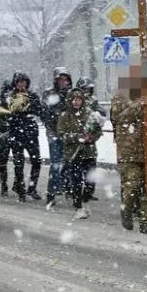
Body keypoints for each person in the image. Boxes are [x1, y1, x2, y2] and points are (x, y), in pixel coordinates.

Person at [110, 61, 147, 233]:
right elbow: (118, 118)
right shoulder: (121, 94)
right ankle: (126, 210)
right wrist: (137, 106)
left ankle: (146, 221)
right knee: (132, 185)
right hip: (129, 149)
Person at [57, 89, 103, 218]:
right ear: (70, 101)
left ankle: (86, 200)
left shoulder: (90, 114)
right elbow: (61, 134)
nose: (76, 102)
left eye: (79, 99)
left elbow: (98, 131)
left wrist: (92, 137)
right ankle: (78, 207)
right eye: (74, 100)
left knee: (90, 181)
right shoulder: (65, 116)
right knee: (76, 182)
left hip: (89, 153)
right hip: (74, 154)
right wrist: (77, 137)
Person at [1, 72, 43, 202]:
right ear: (15, 83)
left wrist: (30, 104)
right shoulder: (9, 96)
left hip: (31, 133)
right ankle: (20, 188)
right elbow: (4, 114)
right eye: (19, 82)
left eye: (24, 82)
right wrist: (14, 110)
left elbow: (40, 111)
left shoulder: (33, 95)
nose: (21, 84)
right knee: (18, 163)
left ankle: (32, 187)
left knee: (36, 161)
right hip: (16, 134)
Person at [41, 68, 73, 204]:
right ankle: (51, 193)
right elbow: (44, 112)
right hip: (54, 132)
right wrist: (55, 120)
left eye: (65, 79)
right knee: (56, 163)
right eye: (61, 79)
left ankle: (68, 189)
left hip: (68, 133)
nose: (63, 82)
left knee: (69, 163)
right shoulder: (49, 94)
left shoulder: (72, 94)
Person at [77, 77, 105, 202]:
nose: (86, 91)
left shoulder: (93, 100)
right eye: (84, 89)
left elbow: (101, 111)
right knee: (76, 167)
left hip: (91, 137)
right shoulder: (74, 100)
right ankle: (74, 191)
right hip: (77, 137)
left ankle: (88, 192)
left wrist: (98, 114)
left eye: (88, 89)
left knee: (91, 166)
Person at [0, 80, 13, 196]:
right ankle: (4, 184)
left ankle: (4, 184)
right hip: (3, 133)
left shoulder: (2, 100)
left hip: (5, 132)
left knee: (3, 161)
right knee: (3, 161)